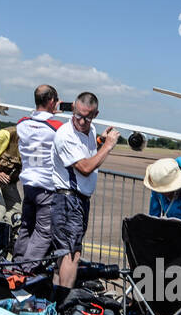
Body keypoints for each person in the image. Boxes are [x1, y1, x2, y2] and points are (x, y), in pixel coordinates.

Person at [50, 92, 120, 288]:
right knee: (72, 255)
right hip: (67, 199)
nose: (81, 121)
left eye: (87, 117)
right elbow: (86, 168)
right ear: (73, 108)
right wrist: (107, 146)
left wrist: (99, 142)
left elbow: (86, 152)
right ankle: (65, 302)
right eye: (78, 115)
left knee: (65, 255)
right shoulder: (65, 135)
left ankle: (57, 301)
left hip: (80, 200)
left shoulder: (90, 130)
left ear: (95, 115)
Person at [13, 84, 65, 264]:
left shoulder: (22, 124)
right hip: (47, 186)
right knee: (44, 230)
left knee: (26, 226)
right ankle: (26, 269)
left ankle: (17, 262)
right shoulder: (57, 127)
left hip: (29, 183)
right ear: (52, 101)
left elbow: (34, 121)